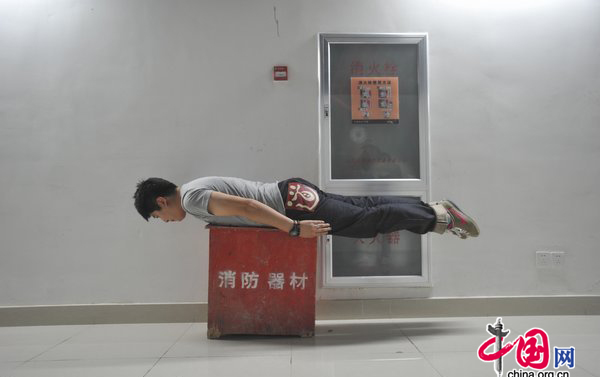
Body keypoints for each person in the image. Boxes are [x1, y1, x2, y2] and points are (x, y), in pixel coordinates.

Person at [133, 176, 479, 239]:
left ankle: (440, 217)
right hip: (292, 193)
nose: (164, 220)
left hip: (292, 205)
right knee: (365, 209)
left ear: (162, 201)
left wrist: (295, 229)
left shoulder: (191, 199)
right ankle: (433, 209)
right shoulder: (194, 189)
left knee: (364, 222)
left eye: (157, 216)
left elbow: (250, 207)